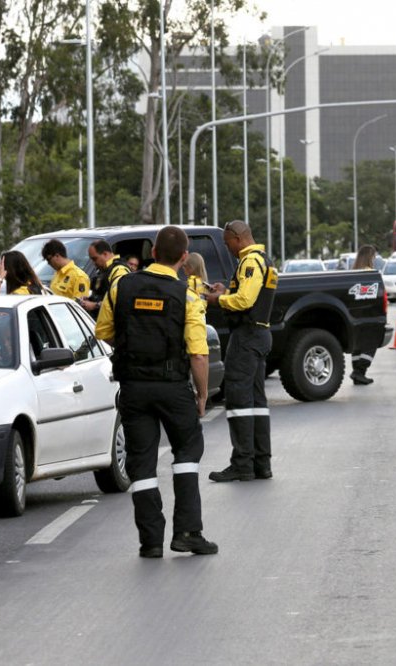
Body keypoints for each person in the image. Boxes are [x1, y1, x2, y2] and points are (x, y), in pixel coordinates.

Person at [94, 226, 217, 558]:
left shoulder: (121, 286)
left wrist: (133, 349)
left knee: (142, 463)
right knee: (188, 450)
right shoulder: (186, 296)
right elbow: (199, 353)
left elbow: (103, 330)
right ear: (182, 258)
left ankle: (150, 542)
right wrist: (202, 395)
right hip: (173, 387)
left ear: (152, 253)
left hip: (133, 388)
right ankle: (188, 532)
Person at [204, 220, 278, 482]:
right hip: (259, 334)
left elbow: (245, 300)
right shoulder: (263, 260)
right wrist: (226, 290)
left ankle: (242, 464)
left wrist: (218, 299)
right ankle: (261, 463)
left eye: (227, 243)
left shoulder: (249, 262)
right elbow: (249, 294)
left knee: (239, 401)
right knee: (257, 402)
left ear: (238, 238)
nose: (228, 249)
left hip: (246, 337)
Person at [350, 244, 379, 385]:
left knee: (358, 344)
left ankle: (357, 372)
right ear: (369, 257)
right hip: (369, 314)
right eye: (373, 256)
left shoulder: (353, 272)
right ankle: (359, 372)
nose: (374, 258)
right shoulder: (370, 273)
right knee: (370, 343)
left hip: (355, 316)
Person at [81, 240, 131, 316]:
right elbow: (103, 295)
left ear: (105, 254)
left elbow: (119, 300)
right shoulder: (104, 270)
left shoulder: (119, 270)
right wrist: (90, 298)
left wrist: (95, 305)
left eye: (95, 259)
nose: (94, 263)